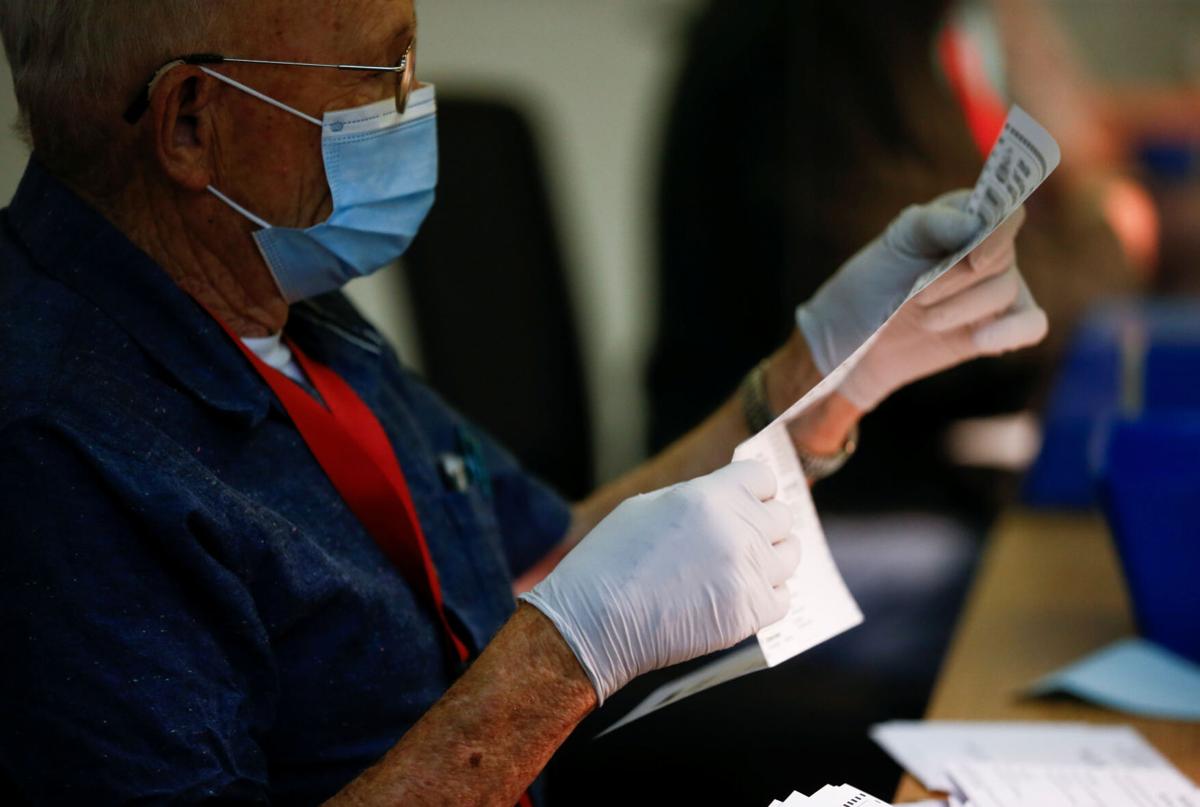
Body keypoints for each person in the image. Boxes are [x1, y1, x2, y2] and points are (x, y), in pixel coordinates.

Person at [0, 1, 1045, 803]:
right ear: (191, 123)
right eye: (378, 66)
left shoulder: (280, 314)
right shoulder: (58, 450)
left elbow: (548, 557)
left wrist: (820, 373)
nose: (411, 97)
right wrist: (560, 660)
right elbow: (566, 617)